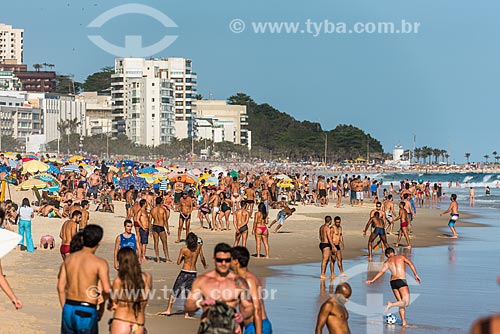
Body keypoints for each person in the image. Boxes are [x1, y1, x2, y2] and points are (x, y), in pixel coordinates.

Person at [184, 243, 254, 334]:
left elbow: (249, 307)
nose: (223, 263)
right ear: (214, 260)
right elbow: (187, 307)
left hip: (229, 329)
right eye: (219, 260)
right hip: (207, 329)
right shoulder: (202, 281)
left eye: (227, 260)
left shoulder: (239, 282)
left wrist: (243, 315)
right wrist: (199, 303)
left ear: (231, 260)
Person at [57, 224, 111, 334]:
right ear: (99, 242)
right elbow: (106, 289)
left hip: (69, 307)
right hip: (86, 309)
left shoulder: (69, 259)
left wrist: (64, 307)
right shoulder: (99, 263)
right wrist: (101, 308)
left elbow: (60, 287)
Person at [365, 247, 421, 328]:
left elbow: (382, 272)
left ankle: (404, 322)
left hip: (393, 282)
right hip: (401, 281)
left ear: (387, 255)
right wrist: (415, 274)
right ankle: (391, 304)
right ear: (393, 252)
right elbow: (410, 264)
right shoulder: (401, 257)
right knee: (406, 302)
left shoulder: (387, 261)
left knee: (400, 302)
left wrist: (372, 280)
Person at [158, 232, 207, 318]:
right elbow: (202, 258)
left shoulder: (184, 250)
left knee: (175, 291)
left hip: (184, 272)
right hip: (193, 273)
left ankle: (168, 310)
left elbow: (178, 262)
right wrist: (205, 265)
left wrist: (184, 257)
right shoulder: (198, 248)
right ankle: (187, 314)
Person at [109, 247, 152, 334]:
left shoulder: (118, 281)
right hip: (139, 323)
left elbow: (113, 304)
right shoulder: (147, 278)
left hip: (121, 321)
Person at [231, 246, 273, 334]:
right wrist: (240, 326)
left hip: (258, 326)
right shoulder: (241, 279)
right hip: (251, 326)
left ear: (235, 261)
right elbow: (244, 306)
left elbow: (257, 309)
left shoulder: (249, 280)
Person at [150, 197, 172, 263]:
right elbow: (165, 221)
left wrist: (150, 230)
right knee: (164, 243)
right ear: (161, 202)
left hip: (154, 226)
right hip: (161, 227)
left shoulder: (152, 210)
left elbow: (150, 221)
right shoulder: (162, 210)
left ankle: (158, 258)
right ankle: (167, 258)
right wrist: (168, 229)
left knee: (156, 243)